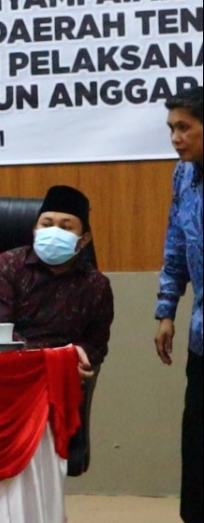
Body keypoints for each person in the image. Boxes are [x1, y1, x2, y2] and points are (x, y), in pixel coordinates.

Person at [0, 185, 113, 377]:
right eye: (46, 225)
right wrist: (52, 360)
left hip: (58, 377)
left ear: (84, 239)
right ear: (34, 231)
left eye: (66, 227)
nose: (54, 233)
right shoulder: (5, 267)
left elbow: (96, 346)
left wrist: (77, 357)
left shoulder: (95, 285)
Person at [154, 86, 202, 523]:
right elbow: (176, 242)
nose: (175, 138)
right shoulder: (183, 176)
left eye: (184, 128)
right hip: (202, 334)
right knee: (198, 441)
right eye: (171, 128)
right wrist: (166, 309)